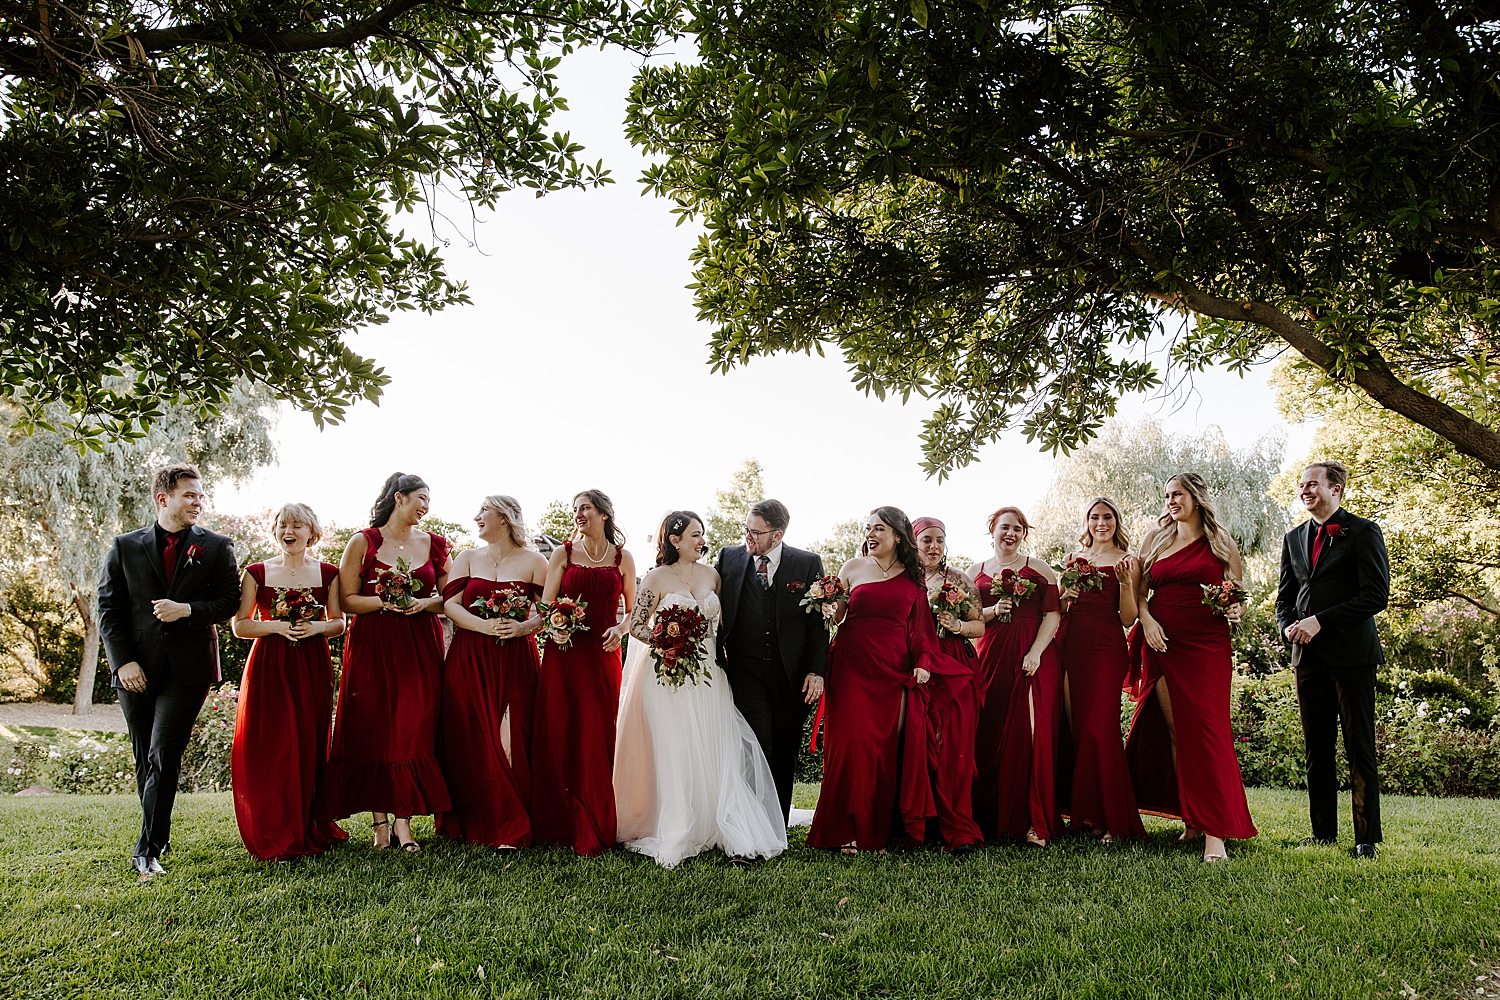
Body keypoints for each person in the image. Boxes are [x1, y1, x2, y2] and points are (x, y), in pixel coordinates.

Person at [614, 511, 787, 867]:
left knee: (715, 744)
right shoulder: (655, 578)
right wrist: (665, 642)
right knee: (676, 748)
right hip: (667, 675)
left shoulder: (713, 576)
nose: (702, 541)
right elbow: (637, 626)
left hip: (709, 672)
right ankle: (678, 825)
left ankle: (718, 821)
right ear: (674, 540)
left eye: (702, 535)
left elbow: (727, 622)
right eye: (695, 535)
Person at [98, 464, 240, 877]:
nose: (198, 502)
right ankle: (159, 832)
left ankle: (146, 850)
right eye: (189, 495)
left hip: (188, 668)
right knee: (145, 756)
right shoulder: (124, 546)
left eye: (200, 495)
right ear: (163, 499)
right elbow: (108, 609)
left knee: (164, 752)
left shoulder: (217, 546)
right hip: (135, 666)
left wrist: (188, 610)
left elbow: (229, 601)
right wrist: (123, 662)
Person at [1120, 473, 1257, 861]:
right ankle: (1192, 820)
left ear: (1196, 497)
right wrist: (1147, 621)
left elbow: (1236, 594)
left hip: (1207, 645)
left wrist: (1236, 608)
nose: (1170, 501)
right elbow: (1140, 594)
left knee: (1208, 733)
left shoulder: (1222, 542)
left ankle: (1215, 833)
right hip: (1161, 642)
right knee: (1177, 732)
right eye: (1167, 495)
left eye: (1177, 494)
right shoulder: (1155, 539)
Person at [314, 472, 452, 852]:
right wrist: (384, 602)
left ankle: (403, 823)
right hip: (372, 645)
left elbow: (451, 597)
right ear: (399, 497)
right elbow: (347, 600)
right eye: (422, 498)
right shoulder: (363, 542)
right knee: (373, 727)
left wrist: (422, 603)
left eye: (429, 501)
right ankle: (380, 824)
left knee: (413, 726)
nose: (426, 507)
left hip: (419, 646)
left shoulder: (436, 545)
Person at [807, 507, 939, 853]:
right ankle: (843, 829)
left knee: (881, 751)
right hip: (851, 664)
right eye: (868, 528)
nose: (870, 534)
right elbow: (838, 616)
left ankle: (874, 832)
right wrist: (829, 604)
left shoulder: (913, 578)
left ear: (897, 535)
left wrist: (924, 662)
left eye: (879, 528)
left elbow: (922, 629)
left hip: (892, 670)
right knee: (850, 747)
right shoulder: (852, 568)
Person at [1276, 461, 1389, 859]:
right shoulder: (1293, 538)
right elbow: (1285, 599)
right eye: (1301, 485)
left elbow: (1375, 596)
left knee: (1359, 747)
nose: (1304, 490)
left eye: (1312, 484)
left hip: (1352, 656)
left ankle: (1365, 839)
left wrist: (1320, 621)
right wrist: (1287, 628)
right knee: (1316, 749)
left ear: (1335, 488)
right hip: (1307, 658)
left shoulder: (1363, 532)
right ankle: (1322, 832)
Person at [229, 503, 349, 862]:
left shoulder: (328, 573)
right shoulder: (256, 572)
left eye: (297, 525)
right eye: (283, 525)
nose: (288, 531)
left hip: (311, 664)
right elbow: (240, 625)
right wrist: (277, 627)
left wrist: (315, 628)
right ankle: (275, 830)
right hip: (269, 665)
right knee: (273, 745)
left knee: (308, 741)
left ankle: (307, 823)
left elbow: (339, 622)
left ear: (311, 532)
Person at [436, 496, 548, 850]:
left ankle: (511, 822)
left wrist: (523, 627)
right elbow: (450, 605)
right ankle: (475, 818)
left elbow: (548, 611)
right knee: (472, 735)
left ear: (504, 517)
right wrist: (483, 627)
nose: (477, 517)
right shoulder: (468, 558)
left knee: (510, 735)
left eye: (484, 510)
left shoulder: (536, 561)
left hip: (515, 657)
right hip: (469, 656)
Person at [531, 489, 636, 856]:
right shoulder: (563, 554)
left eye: (585, 508)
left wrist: (620, 630)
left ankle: (595, 822)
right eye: (575, 509)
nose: (578, 514)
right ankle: (556, 823)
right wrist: (554, 628)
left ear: (604, 514)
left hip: (602, 656)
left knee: (596, 734)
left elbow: (633, 613)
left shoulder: (623, 558)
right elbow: (546, 606)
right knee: (560, 731)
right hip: (563, 656)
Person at [714, 499, 828, 821]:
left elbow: (818, 623)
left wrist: (816, 671)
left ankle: (777, 823)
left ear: (777, 535)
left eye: (755, 532)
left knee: (784, 748)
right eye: (746, 529)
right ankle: (754, 822)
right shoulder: (729, 557)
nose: (747, 537)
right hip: (745, 668)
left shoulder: (806, 563)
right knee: (756, 743)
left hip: (790, 673)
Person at [968, 507, 1064, 847]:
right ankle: (990, 816)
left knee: (1032, 732)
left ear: (1024, 534)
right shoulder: (974, 573)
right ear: (992, 529)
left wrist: (1036, 652)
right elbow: (969, 619)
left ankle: (1035, 820)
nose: (1011, 533)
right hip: (990, 657)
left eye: (1018, 528)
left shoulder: (1039, 569)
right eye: (1005, 527)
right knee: (989, 732)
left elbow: (1053, 615)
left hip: (1033, 656)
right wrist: (993, 610)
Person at [1055, 498, 1146, 842]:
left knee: (1100, 729)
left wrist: (1124, 583)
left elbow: (1128, 618)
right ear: (1087, 521)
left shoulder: (1128, 560)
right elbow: (1059, 607)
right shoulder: (1073, 559)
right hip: (1069, 643)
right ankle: (1087, 815)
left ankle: (1114, 819)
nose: (1101, 523)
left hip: (1105, 646)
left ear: (1116, 521)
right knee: (1076, 729)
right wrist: (1065, 593)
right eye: (1095, 517)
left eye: (1107, 517)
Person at [913, 516, 985, 851]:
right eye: (926, 540)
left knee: (954, 745)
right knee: (922, 744)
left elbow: (979, 626)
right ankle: (921, 822)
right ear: (912, 542)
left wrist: (957, 625)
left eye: (939, 540)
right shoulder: (902, 578)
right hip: (917, 667)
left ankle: (958, 827)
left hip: (955, 665)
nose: (934, 547)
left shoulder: (958, 579)